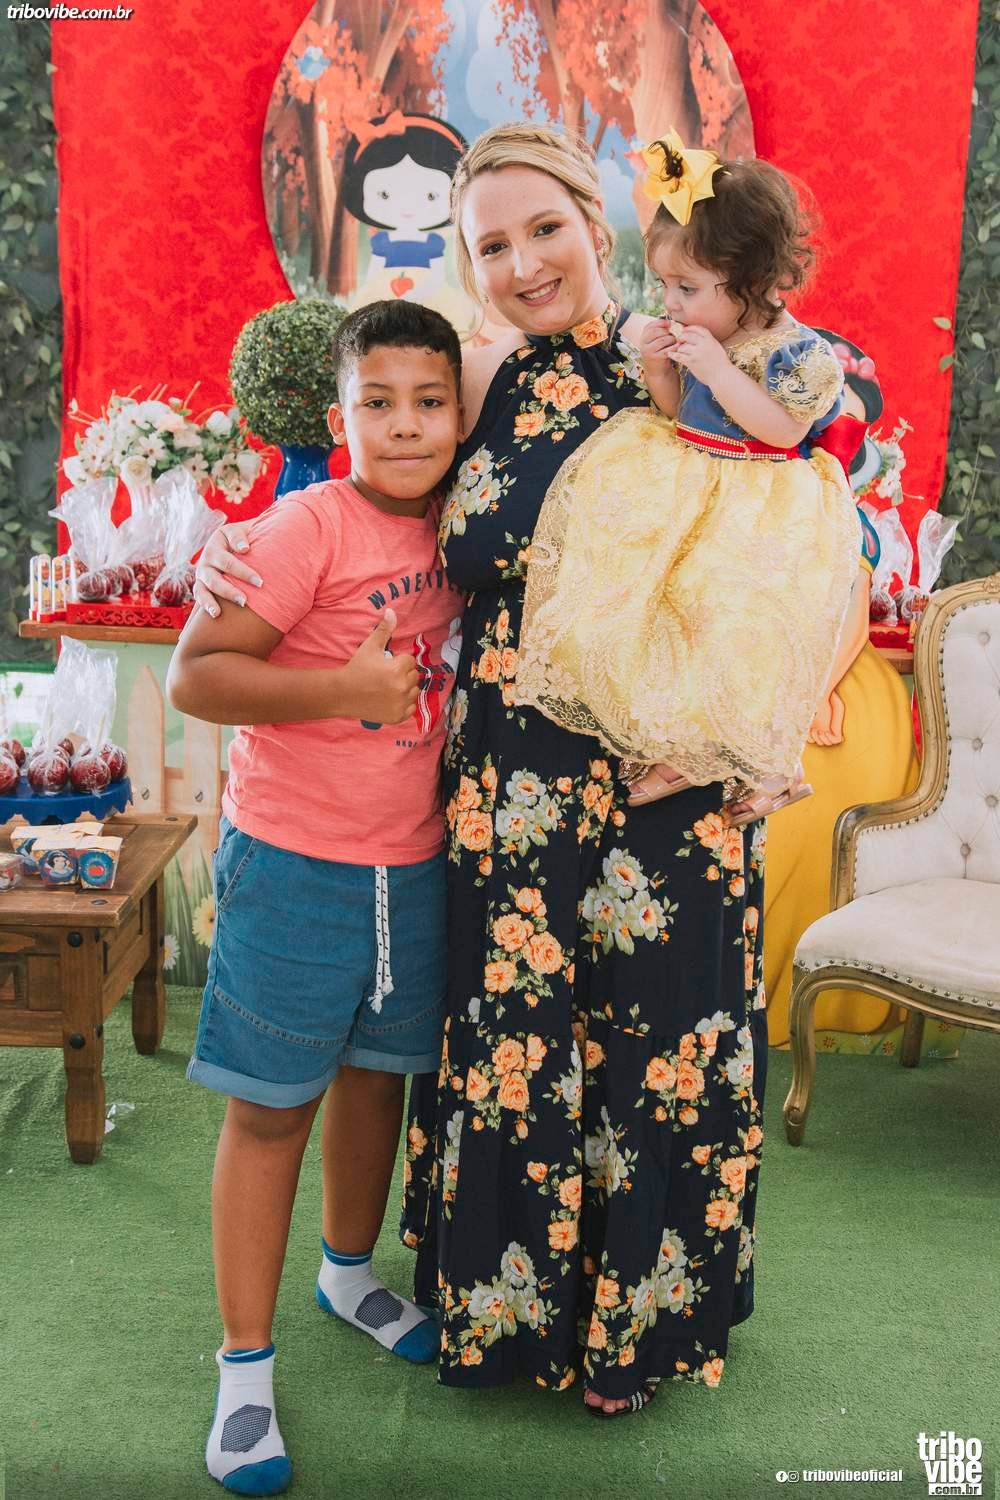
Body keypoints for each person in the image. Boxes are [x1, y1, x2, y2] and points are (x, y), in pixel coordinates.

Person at [196, 122, 768, 1420]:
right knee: (517, 1047)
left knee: (650, 1048)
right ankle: (508, 1318)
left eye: (543, 229)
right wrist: (218, 557)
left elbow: (799, 544)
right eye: (491, 245)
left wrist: (758, 744)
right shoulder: (478, 376)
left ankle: (629, 1333)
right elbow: (356, 488)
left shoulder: (689, 357)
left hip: (663, 783)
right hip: (506, 791)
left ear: (594, 221)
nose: (523, 263)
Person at [168, 299, 464, 1495]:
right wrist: (342, 688)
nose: (405, 425)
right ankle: (243, 1370)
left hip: (415, 864)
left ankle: (348, 1272)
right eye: (376, 402)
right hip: (294, 864)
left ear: (460, 413)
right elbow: (198, 677)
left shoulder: (463, 520)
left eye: (429, 402)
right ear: (337, 416)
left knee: (377, 1080)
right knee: (270, 1112)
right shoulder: (304, 526)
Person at [515, 131, 860, 824]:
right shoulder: (706, 335)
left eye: (688, 288)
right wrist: (661, 370)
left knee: (726, 619)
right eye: (664, 286)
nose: (670, 302)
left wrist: (719, 370)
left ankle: (748, 760)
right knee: (654, 601)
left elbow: (781, 429)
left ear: (753, 283)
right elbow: (680, 415)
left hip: (760, 500)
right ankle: (659, 734)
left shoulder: (797, 353)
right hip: (691, 481)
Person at [763, 333, 920, 1046]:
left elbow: (851, 615)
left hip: (831, 667)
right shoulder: (751, 491)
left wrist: (814, 688)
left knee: (829, 781)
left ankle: (829, 985)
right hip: (758, 661)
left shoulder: (844, 512)